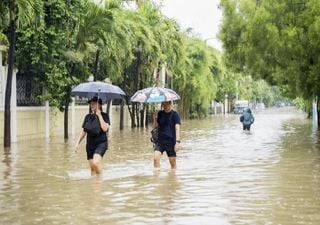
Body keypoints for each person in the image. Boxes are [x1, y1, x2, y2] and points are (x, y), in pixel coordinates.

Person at [75, 96, 110, 176]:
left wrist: (99, 115)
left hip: (101, 143)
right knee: (92, 169)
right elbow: (84, 131)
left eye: (94, 104)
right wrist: (77, 143)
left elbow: (105, 129)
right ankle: (95, 186)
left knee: (95, 163)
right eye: (91, 104)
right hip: (90, 144)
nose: (91, 105)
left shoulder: (105, 116)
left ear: (99, 105)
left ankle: (101, 178)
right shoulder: (88, 117)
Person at [153, 101, 181, 170]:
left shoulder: (175, 115)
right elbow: (155, 127)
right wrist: (155, 118)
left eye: (165, 103)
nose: (164, 105)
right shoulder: (160, 113)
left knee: (173, 165)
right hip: (160, 141)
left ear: (170, 103)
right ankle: (156, 177)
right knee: (155, 159)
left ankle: (173, 178)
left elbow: (177, 128)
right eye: (163, 103)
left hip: (171, 142)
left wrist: (177, 142)